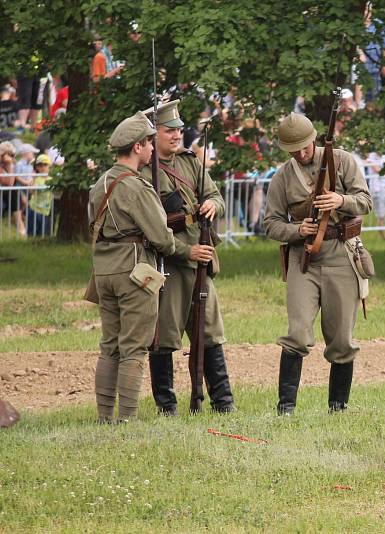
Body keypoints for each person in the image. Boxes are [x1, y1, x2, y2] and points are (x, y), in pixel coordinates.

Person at [263, 112, 372, 415]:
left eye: (305, 146)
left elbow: (365, 200)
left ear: (314, 139)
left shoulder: (342, 161)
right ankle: (286, 408)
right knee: (297, 333)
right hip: (304, 260)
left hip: (341, 254)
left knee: (341, 339)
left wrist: (340, 201)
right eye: (293, 149)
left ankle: (338, 408)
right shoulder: (282, 177)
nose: (300, 153)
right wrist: (297, 230)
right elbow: (271, 224)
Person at [139, 99, 235, 415]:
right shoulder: (144, 173)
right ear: (153, 136)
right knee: (164, 337)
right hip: (170, 264)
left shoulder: (190, 163)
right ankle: (167, 408)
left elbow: (216, 197)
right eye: (169, 131)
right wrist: (185, 249)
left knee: (209, 333)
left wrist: (212, 207)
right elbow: (151, 228)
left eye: (179, 130)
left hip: (200, 260)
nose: (176, 136)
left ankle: (224, 403)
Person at [88, 111, 176, 423]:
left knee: (109, 345)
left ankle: (104, 417)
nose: (153, 148)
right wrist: (177, 246)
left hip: (105, 272)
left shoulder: (101, 183)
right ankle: (126, 419)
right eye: (150, 142)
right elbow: (162, 238)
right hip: (135, 271)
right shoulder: (137, 187)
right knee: (134, 347)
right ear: (137, 147)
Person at [26, 154, 53, 237]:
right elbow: (31, 192)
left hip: (46, 210)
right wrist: (33, 179)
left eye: (45, 165)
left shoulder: (52, 180)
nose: (42, 167)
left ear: (49, 167)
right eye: (40, 165)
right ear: (37, 167)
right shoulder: (35, 178)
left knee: (43, 233)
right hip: (34, 209)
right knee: (32, 232)